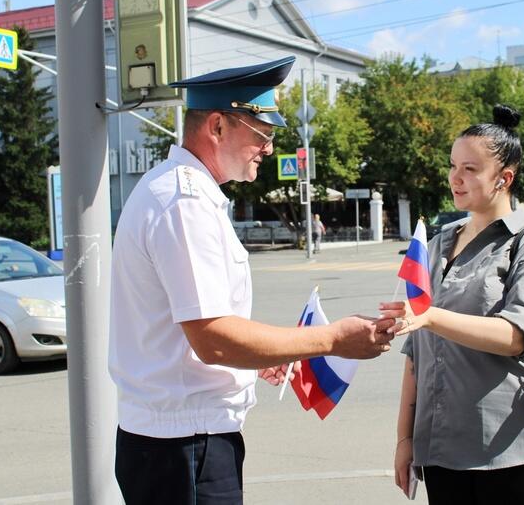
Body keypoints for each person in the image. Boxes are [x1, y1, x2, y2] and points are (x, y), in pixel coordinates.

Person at [108, 56, 397, 505]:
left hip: (179, 440)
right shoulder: (186, 204)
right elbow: (213, 341)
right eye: (262, 134)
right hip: (185, 445)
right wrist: (333, 339)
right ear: (218, 127)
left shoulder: (180, 190)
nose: (268, 148)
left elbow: (198, 331)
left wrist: (258, 357)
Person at [380, 104, 524, 505]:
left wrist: (430, 317)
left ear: (504, 178)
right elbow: (416, 355)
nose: (455, 177)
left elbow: (517, 336)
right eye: (453, 165)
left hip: (516, 453)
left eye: (470, 169)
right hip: (443, 454)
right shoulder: (436, 245)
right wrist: (405, 438)